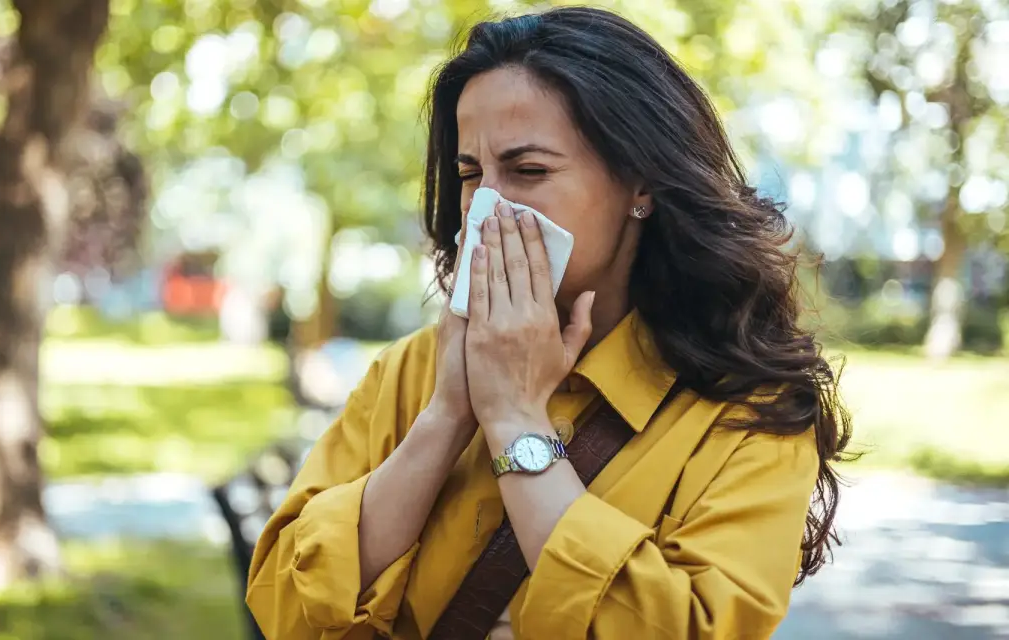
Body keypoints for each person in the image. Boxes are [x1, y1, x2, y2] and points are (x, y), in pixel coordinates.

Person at [246, 7, 852, 639]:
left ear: (640, 184)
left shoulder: (748, 411)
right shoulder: (413, 369)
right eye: (469, 173)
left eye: (529, 171)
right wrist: (448, 415)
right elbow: (284, 605)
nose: (487, 205)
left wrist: (514, 422)